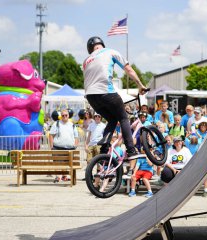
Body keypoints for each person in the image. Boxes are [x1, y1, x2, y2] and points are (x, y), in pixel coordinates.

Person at [82, 36, 147, 172]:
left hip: (91, 97)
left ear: (90, 49)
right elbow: (129, 70)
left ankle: (104, 146)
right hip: (106, 92)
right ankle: (130, 149)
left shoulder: (86, 61)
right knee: (123, 117)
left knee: (112, 119)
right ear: (102, 45)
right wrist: (140, 85)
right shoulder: (110, 52)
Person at [49, 109, 79, 182]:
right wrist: (51, 147)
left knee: (67, 163)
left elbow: (76, 136)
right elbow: (51, 135)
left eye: (66, 115)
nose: (64, 116)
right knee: (57, 163)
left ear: (68, 116)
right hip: (57, 147)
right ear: (61, 116)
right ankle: (58, 176)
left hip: (70, 148)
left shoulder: (72, 125)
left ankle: (64, 176)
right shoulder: (56, 123)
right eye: (63, 115)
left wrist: (75, 145)